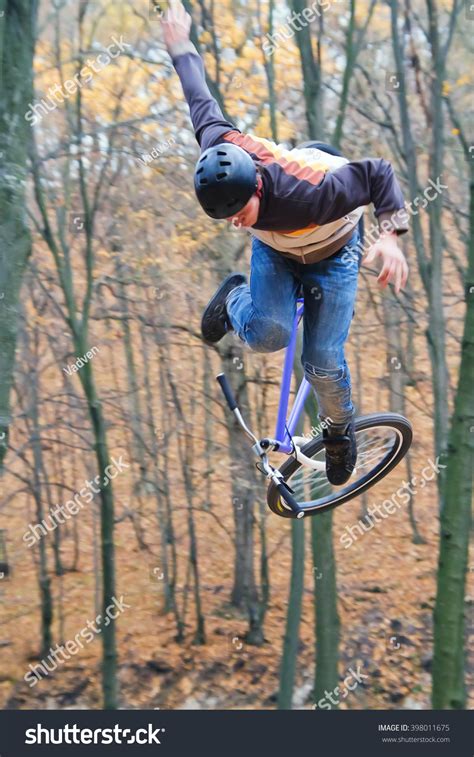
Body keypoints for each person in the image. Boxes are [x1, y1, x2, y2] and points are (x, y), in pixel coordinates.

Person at [161, 1, 409, 485]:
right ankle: (233, 298)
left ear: (258, 186)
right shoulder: (221, 147)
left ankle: (339, 431)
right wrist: (179, 43)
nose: (236, 222)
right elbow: (198, 97)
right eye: (226, 217)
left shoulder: (314, 193)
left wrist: (392, 236)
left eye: (241, 212)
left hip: (334, 248)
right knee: (266, 334)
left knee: (321, 362)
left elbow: (378, 172)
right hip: (276, 250)